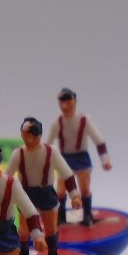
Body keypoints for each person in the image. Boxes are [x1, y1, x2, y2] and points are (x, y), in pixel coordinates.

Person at [5, 117, 82, 255]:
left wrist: (74, 195)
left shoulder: (51, 152)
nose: (27, 139)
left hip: (46, 193)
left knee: (51, 227)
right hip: (26, 195)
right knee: (24, 230)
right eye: (24, 135)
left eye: (30, 136)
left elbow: (66, 173)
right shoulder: (18, 154)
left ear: (38, 136)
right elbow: (7, 178)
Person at [46, 88, 112, 226]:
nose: (65, 106)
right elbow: (47, 145)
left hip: (82, 158)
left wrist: (105, 159)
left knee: (85, 189)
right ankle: (61, 218)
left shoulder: (84, 120)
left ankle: (87, 216)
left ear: (74, 101)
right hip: (64, 160)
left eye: (68, 102)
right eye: (62, 102)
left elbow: (98, 140)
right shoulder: (57, 123)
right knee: (61, 191)